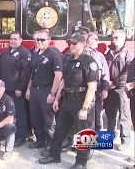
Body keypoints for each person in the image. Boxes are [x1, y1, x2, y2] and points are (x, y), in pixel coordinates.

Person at [39, 33, 99, 169]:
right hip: (67, 101)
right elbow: (63, 81)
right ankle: (54, 156)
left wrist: (85, 108)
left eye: (74, 43)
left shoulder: (89, 61)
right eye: (70, 43)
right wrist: (57, 99)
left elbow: (92, 87)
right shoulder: (68, 60)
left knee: (85, 133)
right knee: (60, 130)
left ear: (83, 44)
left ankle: (81, 163)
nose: (71, 46)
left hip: (82, 103)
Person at [26, 30, 63, 149]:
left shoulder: (53, 54)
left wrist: (52, 93)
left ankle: (51, 147)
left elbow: (58, 75)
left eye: (42, 40)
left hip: (47, 91)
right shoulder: (35, 54)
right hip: (34, 91)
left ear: (49, 40)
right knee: (35, 118)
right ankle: (40, 141)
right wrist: (28, 89)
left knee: (49, 121)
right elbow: (33, 74)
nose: (39, 42)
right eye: (37, 39)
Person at [1, 31, 31, 147]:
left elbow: (26, 73)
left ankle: (21, 137)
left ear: (21, 40)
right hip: (6, 89)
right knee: (8, 113)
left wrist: (20, 88)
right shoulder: (7, 52)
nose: (12, 41)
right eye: (11, 39)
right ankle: (8, 135)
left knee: (19, 113)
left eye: (15, 39)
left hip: (17, 90)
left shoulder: (24, 53)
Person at [105, 29, 134, 151]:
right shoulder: (109, 52)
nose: (114, 39)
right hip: (110, 87)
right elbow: (106, 69)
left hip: (122, 88)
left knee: (124, 115)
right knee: (110, 114)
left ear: (123, 39)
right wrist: (107, 83)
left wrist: (115, 83)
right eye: (113, 37)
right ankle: (110, 138)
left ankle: (125, 140)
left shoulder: (129, 53)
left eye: (117, 37)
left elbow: (127, 72)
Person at [84, 32, 110, 131]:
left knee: (97, 118)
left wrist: (105, 89)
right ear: (89, 40)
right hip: (82, 91)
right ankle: (84, 144)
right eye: (96, 39)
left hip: (96, 90)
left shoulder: (99, 56)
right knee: (83, 119)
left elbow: (105, 74)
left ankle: (101, 143)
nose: (98, 41)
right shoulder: (79, 54)